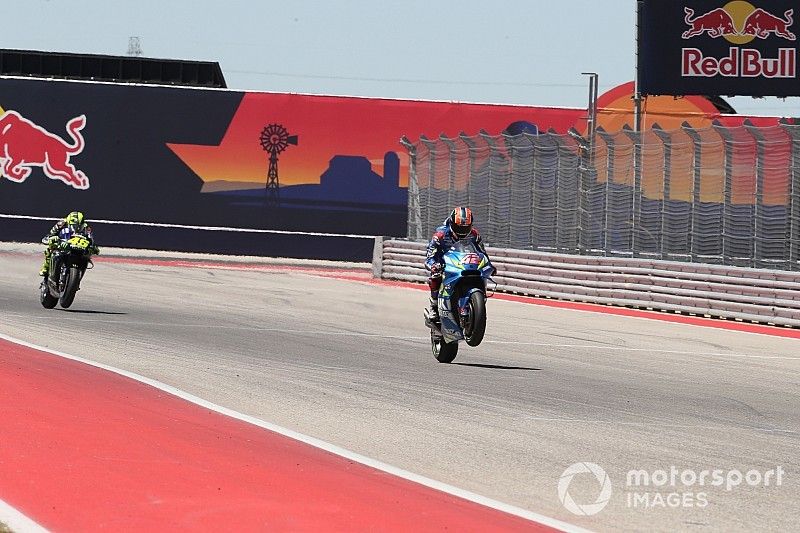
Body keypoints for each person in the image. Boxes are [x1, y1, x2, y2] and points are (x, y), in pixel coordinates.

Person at [424, 206, 492, 321]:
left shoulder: (474, 235)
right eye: (458, 227)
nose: (462, 231)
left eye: (465, 228)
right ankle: (434, 306)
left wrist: (488, 264)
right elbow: (429, 257)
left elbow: (482, 252)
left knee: (482, 274)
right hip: (445, 264)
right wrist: (434, 266)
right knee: (435, 276)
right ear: (451, 223)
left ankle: (479, 302)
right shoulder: (440, 235)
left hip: (466, 263)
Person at [40, 211, 99, 276]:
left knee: (86, 258)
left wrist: (93, 248)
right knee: (50, 249)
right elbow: (50, 235)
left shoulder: (86, 227)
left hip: (78, 247)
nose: (76, 228)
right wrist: (51, 239)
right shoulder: (61, 223)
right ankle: (46, 268)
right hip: (63, 244)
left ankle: (78, 278)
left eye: (79, 226)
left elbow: (91, 240)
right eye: (74, 226)